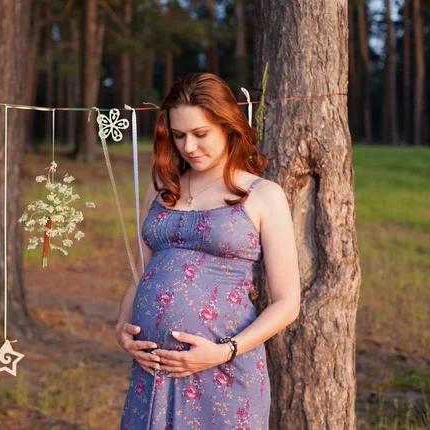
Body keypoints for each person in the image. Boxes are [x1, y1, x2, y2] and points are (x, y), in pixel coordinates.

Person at [115, 73, 301, 429]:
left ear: (228, 127)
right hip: (154, 371)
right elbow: (140, 272)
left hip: (223, 371)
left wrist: (224, 351)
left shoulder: (263, 195)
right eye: (179, 135)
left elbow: (287, 302)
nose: (189, 147)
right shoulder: (161, 189)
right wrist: (121, 327)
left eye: (201, 134)